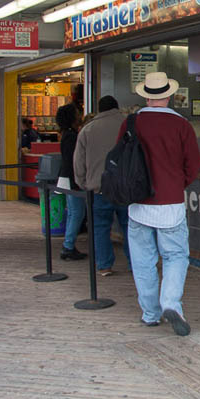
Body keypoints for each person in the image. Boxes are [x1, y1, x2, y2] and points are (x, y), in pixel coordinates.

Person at [121, 72, 200, 336]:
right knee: (175, 255)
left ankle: (150, 313)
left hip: (138, 203)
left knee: (143, 260)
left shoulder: (132, 123)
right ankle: (171, 304)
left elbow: (120, 159)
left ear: (146, 95)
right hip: (171, 203)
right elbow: (194, 164)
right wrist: (177, 184)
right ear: (168, 96)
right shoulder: (182, 126)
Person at [73, 95, 130, 276]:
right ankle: (136, 264)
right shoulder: (128, 125)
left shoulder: (87, 130)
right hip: (124, 187)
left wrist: (82, 182)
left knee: (100, 228)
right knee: (130, 227)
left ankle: (104, 266)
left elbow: (78, 161)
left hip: (98, 188)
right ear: (116, 107)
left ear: (99, 109)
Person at [56, 103, 87, 261]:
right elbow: (72, 161)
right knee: (77, 213)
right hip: (73, 179)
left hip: (68, 179)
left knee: (74, 213)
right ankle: (68, 245)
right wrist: (77, 180)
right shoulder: (72, 136)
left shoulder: (67, 135)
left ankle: (69, 244)